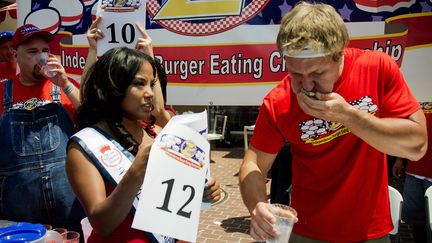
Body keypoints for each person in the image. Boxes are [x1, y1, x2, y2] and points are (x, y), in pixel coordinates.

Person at [238, 2, 428, 243]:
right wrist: (257, 205)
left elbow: (417, 146)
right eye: (296, 73)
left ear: (339, 55)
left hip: (369, 231)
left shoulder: (377, 68)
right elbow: (253, 164)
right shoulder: (279, 100)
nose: (306, 86)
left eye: (317, 74)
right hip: (305, 231)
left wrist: (348, 116)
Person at [66, 47, 221, 242]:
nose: (150, 93)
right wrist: (134, 174)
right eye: (139, 84)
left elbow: (173, 199)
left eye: (152, 84)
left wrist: (202, 193)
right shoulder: (84, 147)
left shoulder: (157, 132)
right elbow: (102, 224)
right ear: (113, 87)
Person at [0, 24, 84, 234]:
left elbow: (94, 120)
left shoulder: (65, 85)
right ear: (15, 54)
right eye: (32, 52)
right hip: (19, 210)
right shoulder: (2, 91)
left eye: (45, 51)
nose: (42, 57)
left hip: (69, 205)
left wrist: (65, 83)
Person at [392, 101, 432, 243]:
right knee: (415, 219)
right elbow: (407, 136)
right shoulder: (420, 106)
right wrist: (399, 159)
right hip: (414, 172)